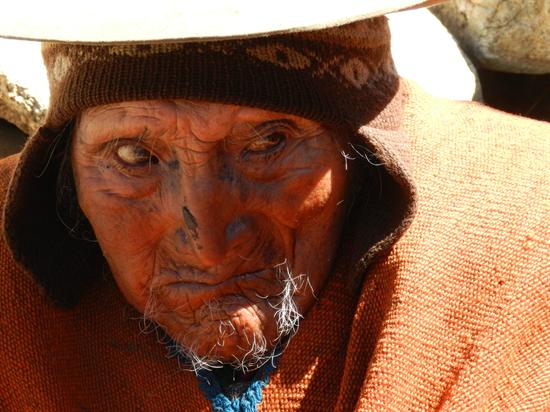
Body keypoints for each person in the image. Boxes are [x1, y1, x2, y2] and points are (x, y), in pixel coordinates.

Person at [0, 1, 548, 411]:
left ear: (367, 147)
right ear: (63, 166)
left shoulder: (519, 232)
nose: (210, 242)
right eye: (134, 155)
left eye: (267, 144)